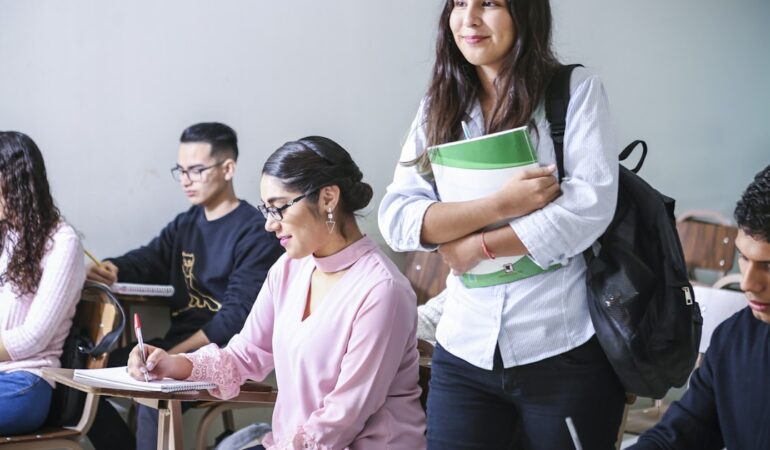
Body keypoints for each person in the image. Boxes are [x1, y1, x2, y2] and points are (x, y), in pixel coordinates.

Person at [378, 1, 625, 449]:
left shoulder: (575, 90)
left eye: (489, 3)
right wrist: (500, 204)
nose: (468, 18)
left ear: (525, 12)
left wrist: (476, 248)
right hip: (465, 348)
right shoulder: (440, 103)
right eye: (458, 3)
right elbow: (398, 217)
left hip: (560, 343)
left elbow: (587, 209)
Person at [127, 136, 426, 450]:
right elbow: (244, 355)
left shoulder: (382, 292)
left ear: (327, 198)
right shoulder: (288, 270)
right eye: (266, 210)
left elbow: (343, 417)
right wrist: (173, 364)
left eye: (279, 208)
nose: (269, 224)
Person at [86, 122, 283, 450]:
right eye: (181, 170)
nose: (186, 180)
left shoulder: (254, 231)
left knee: (154, 397)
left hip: (224, 355)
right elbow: (150, 259)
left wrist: (173, 358)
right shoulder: (187, 223)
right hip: (175, 346)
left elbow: (233, 321)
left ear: (228, 168)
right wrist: (112, 268)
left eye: (196, 169)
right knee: (87, 375)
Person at [629, 164, 770, 449]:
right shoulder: (735, 338)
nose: (748, 283)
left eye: (767, 266)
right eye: (743, 257)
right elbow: (684, 430)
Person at [0, 131, 86, 435]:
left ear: (17, 182)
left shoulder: (62, 242)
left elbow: (32, 338)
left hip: (25, 382)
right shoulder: (6, 236)